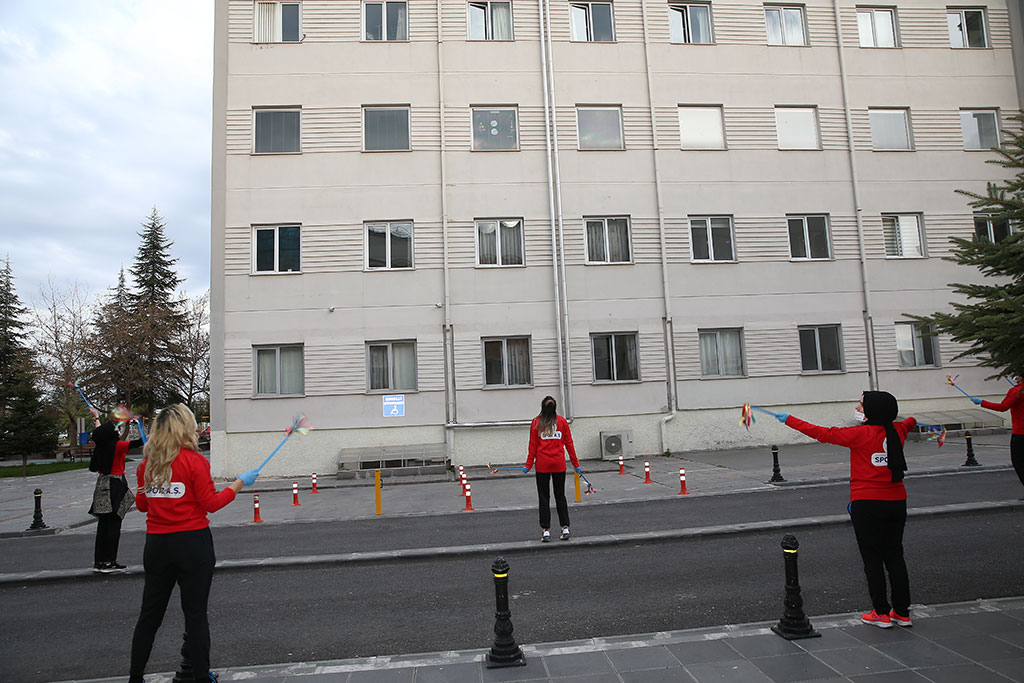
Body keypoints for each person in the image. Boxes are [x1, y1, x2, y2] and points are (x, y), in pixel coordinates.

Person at [128, 404, 260, 683]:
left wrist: (151, 487)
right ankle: (200, 678)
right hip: (192, 543)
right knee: (195, 614)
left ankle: (135, 678)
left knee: (149, 616)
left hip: (157, 545)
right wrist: (239, 483)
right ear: (185, 429)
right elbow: (210, 504)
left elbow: (141, 505)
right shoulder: (195, 462)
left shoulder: (147, 466)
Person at [775, 391, 916, 628]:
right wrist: (917, 422)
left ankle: (881, 612)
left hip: (867, 503)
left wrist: (789, 419)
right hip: (896, 501)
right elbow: (910, 421)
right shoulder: (899, 430)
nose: (859, 408)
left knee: (872, 558)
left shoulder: (860, 434)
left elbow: (823, 433)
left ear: (873, 410)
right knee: (894, 555)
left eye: (862, 405)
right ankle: (901, 612)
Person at [88, 406, 142, 573]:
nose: (117, 432)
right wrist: (140, 425)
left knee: (103, 526)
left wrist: (96, 417)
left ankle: (100, 562)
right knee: (114, 526)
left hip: (102, 485)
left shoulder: (102, 444)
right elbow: (140, 443)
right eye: (116, 430)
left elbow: (99, 432)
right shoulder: (116, 446)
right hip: (115, 485)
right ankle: (110, 561)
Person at [523, 396, 581, 542]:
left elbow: (533, 446)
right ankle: (565, 527)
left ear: (542, 407)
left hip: (542, 465)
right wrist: (576, 464)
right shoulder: (562, 422)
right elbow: (569, 444)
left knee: (544, 497)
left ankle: (546, 530)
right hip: (559, 464)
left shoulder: (536, 423)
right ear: (555, 408)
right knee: (560, 496)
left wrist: (528, 465)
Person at [971, 373, 1024, 491]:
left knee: (1019, 462)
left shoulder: (1016, 391)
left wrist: (981, 402)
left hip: (1021, 433)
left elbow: (1003, 407)